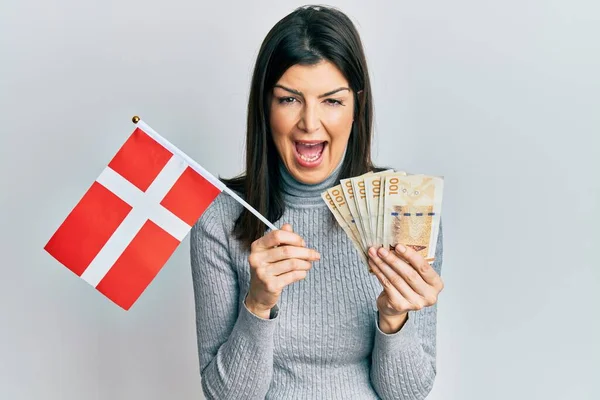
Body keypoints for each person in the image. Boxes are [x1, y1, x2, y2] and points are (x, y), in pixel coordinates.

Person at [190, 5, 444, 399]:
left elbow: (407, 394)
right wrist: (257, 304)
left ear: (357, 107)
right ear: (265, 106)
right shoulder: (219, 219)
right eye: (290, 100)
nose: (310, 123)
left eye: (332, 101)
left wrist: (394, 317)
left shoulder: (404, 211)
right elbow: (227, 396)